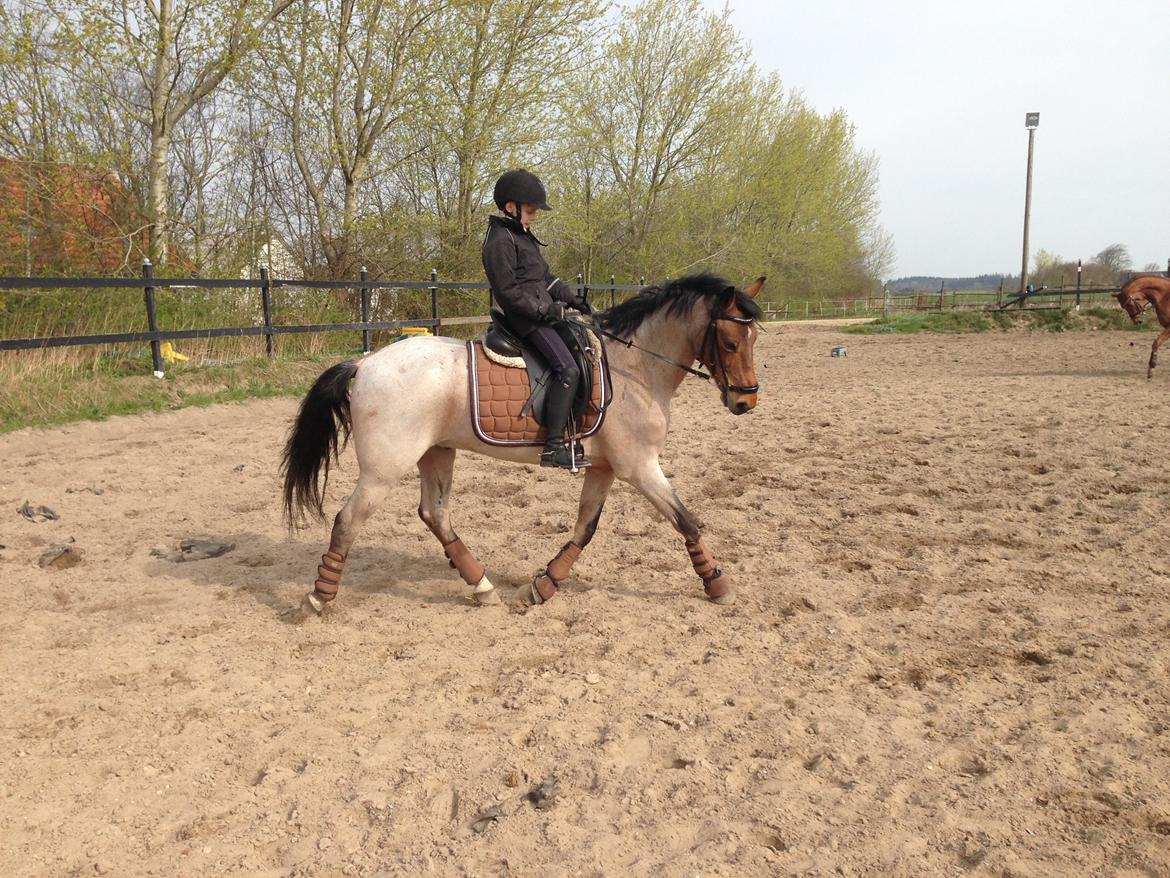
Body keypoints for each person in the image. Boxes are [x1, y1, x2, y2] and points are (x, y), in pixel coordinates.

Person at [482, 169, 592, 470]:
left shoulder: (522, 236)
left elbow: (545, 278)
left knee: (581, 350)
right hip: (525, 321)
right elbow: (508, 292)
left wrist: (573, 300)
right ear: (510, 207)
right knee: (567, 369)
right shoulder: (499, 241)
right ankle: (553, 446)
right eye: (530, 210)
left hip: (540, 315)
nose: (534, 216)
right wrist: (548, 311)